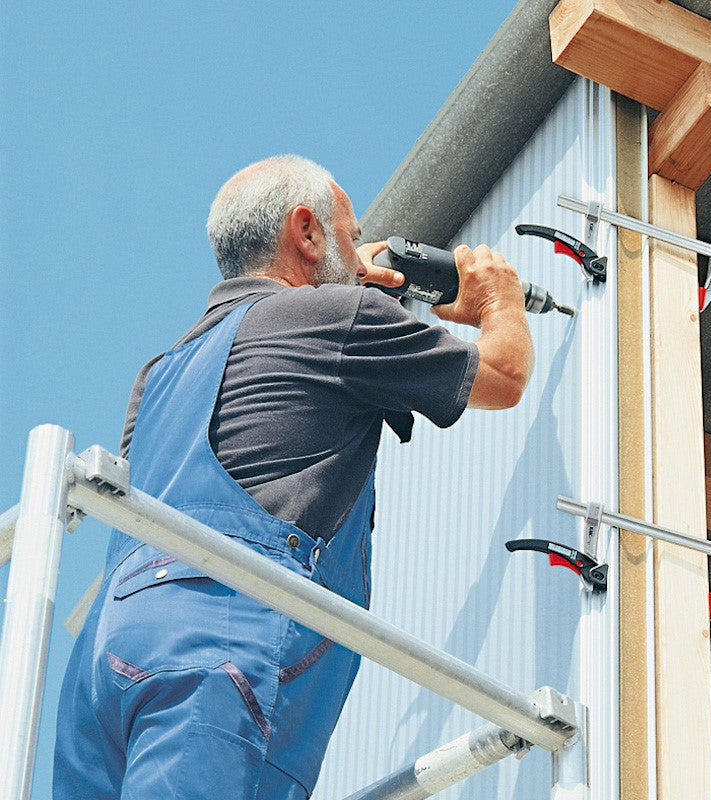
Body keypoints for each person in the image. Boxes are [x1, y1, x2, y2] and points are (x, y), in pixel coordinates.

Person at [53, 154, 534, 799]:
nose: (361, 251)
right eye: (349, 234)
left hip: (102, 670)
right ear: (306, 233)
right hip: (219, 644)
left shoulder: (160, 371)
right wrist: (498, 296)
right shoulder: (338, 317)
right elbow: (504, 375)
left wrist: (348, 291)